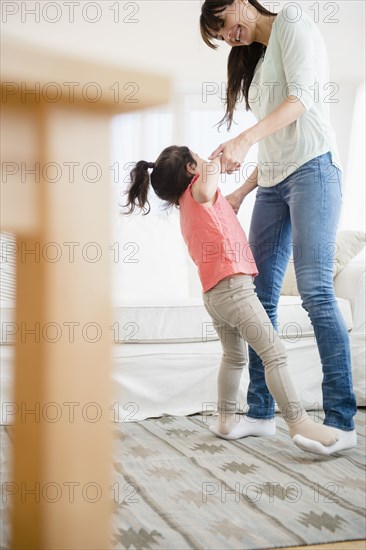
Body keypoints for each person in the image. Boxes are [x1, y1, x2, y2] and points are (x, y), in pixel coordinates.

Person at [199, 0, 357, 455]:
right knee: (257, 298)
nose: (227, 36)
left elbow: (301, 101)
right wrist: (243, 191)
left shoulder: (291, 21)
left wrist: (244, 139)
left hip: (314, 172)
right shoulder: (260, 59)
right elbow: (273, 145)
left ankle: (342, 422)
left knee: (315, 291)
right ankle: (262, 414)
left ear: (238, 4)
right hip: (272, 182)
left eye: (222, 24)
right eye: (220, 36)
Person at [124, 144, 340, 453]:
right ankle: (298, 422)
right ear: (191, 170)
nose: (205, 162)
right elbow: (210, 173)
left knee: (234, 357)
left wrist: (243, 181)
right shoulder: (199, 193)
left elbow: (217, 191)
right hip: (234, 290)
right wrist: (226, 154)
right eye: (198, 159)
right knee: (274, 351)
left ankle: (224, 419)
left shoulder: (190, 204)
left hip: (214, 295)